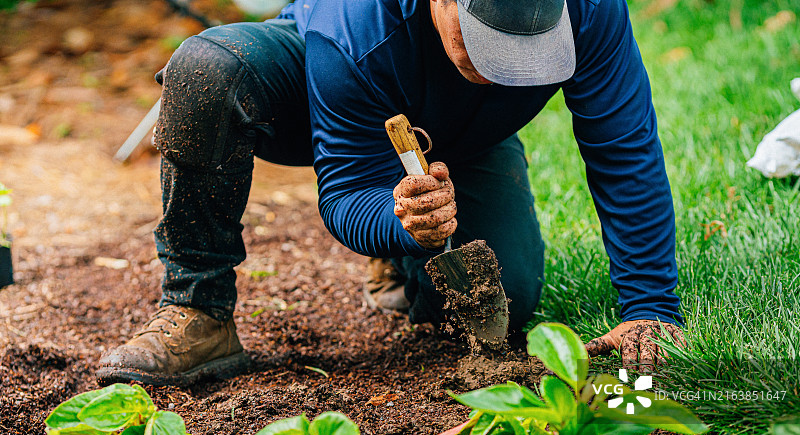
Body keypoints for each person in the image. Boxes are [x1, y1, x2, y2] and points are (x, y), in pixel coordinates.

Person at [97, 0, 684, 386]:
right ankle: (197, 309)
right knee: (208, 69)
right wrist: (400, 217)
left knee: (502, 301)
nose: (508, 62)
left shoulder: (591, 9)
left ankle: (403, 269)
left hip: (464, 137)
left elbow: (624, 151)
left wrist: (651, 308)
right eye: (489, 39)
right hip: (326, 89)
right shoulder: (356, 22)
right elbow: (345, 192)